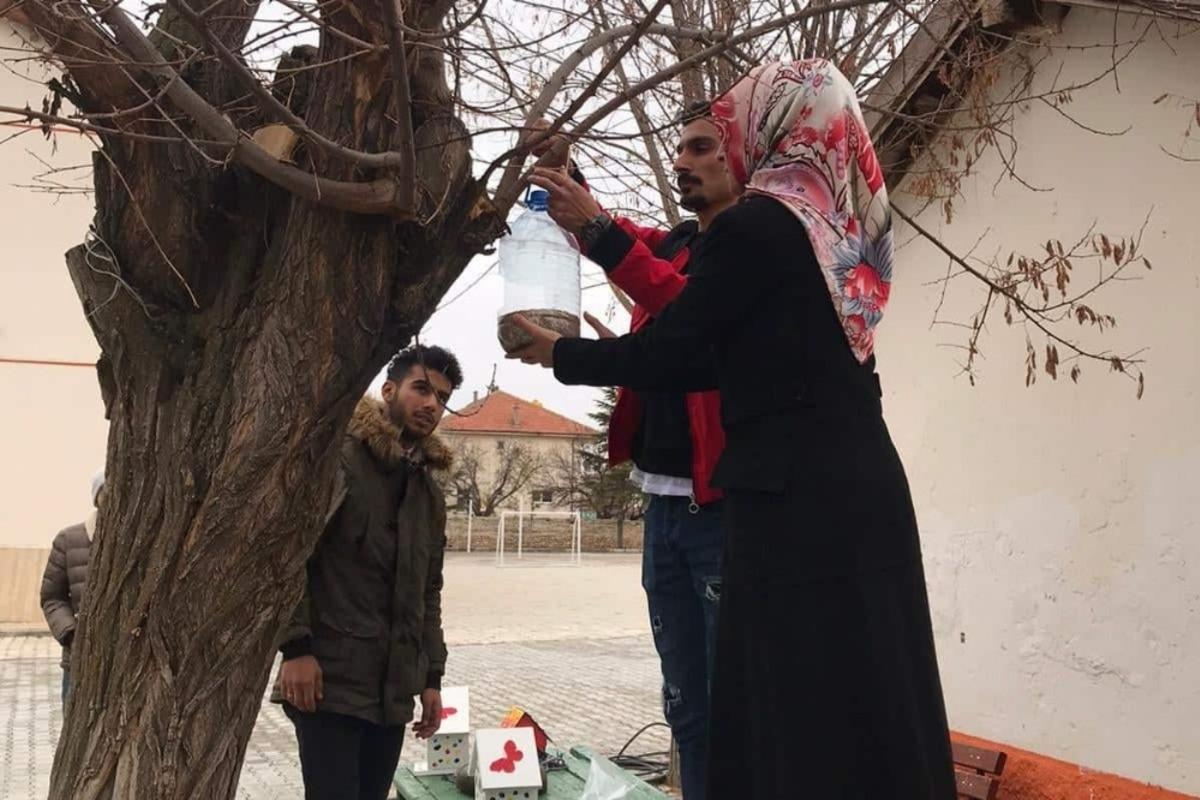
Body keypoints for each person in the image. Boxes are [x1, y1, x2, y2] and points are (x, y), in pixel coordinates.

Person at [509, 60, 957, 798]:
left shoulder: (760, 225)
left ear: (775, 124)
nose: (708, 149)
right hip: (853, 493)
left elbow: (684, 345)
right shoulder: (830, 231)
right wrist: (581, 198)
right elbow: (676, 285)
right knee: (862, 691)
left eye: (722, 133)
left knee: (786, 705)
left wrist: (561, 353)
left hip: (792, 504)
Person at [527, 103, 740, 800]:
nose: (681, 160)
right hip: (665, 508)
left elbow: (681, 310)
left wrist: (585, 355)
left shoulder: (746, 257)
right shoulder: (678, 241)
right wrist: (565, 175)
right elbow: (623, 244)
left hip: (719, 515)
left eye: (701, 147)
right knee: (684, 705)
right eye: (678, 149)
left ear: (741, 158)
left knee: (727, 702)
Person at [271, 344, 461, 800]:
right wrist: (295, 648)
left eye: (442, 396)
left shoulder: (427, 494)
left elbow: (428, 592)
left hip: (392, 694)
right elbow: (287, 554)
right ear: (389, 389)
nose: (432, 404)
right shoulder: (338, 460)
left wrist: (432, 679)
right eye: (422, 388)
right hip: (328, 682)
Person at [41, 470, 102, 708]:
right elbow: (51, 597)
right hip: (78, 658)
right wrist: (70, 633)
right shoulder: (69, 540)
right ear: (97, 498)